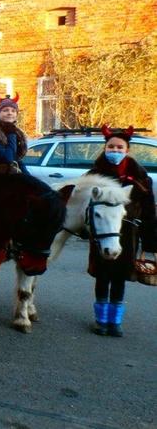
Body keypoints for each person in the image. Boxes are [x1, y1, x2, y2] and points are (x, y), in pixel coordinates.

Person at [86, 124, 157, 337]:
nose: (115, 151)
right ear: (105, 148)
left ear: (127, 150)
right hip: (102, 234)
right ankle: (100, 320)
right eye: (111, 147)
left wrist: (150, 241)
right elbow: (85, 205)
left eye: (119, 147)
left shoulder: (140, 177)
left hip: (128, 234)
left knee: (119, 276)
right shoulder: (94, 174)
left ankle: (115, 321)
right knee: (102, 275)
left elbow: (149, 211)